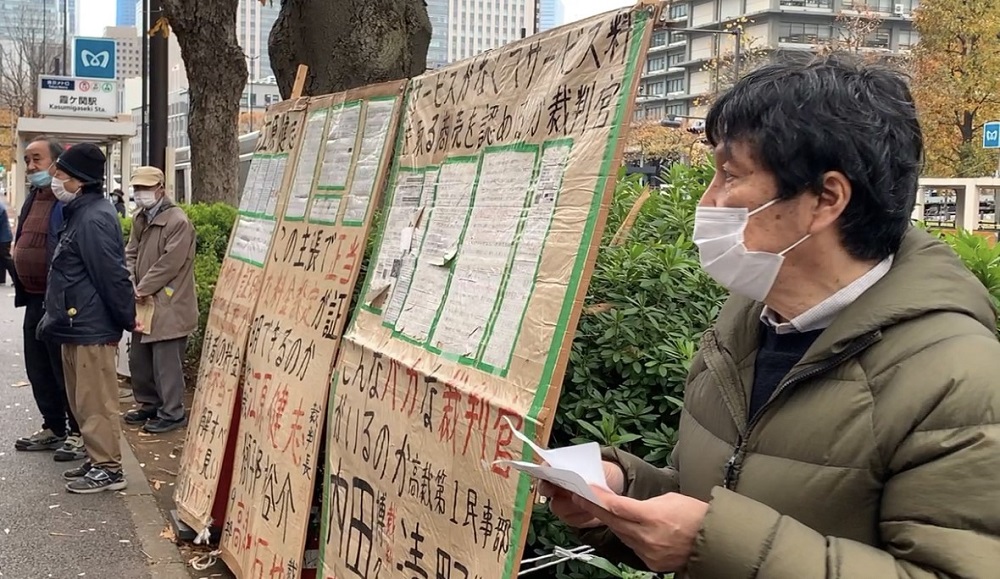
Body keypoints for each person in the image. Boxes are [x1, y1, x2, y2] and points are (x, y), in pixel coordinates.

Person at [544, 55, 1000, 576]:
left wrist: (712, 543)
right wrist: (623, 491)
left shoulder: (959, 377)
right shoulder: (742, 327)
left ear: (825, 199)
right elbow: (717, 494)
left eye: (730, 176)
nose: (708, 199)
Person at [37, 143, 137, 494]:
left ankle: (109, 468)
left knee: (96, 401)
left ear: (79, 181)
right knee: (83, 400)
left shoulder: (93, 217)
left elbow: (112, 275)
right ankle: (98, 459)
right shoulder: (82, 213)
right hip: (76, 324)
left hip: (91, 326)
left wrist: (126, 320)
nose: (54, 180)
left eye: (60, 175)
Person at [12, 136, 85, 462]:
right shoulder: (32, 199)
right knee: (38, 367)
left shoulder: (68, 201)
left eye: (37, 159)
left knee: (63, 369)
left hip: (60, 301)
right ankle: (53, 427)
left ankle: (77, 432)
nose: (31, 167)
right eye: (27, 160)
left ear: (57, 163)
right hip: (34, 298)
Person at [124, 166, 197, 434]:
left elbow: (170, 264)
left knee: (166, 361)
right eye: (137, 188)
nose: (140, 193)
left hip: (169, 302)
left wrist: (142, 287)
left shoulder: (178, 221)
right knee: (140, 358)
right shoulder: (140, 218)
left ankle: (172, 412)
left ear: (160, 189)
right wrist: (132, 282)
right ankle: (149, 404)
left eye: (145, 188)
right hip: (144, 300)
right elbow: (130, 252)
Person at [0, 197, 14, 285]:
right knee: (2, 258)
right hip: (4, 236)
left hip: (3, 238)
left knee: (5, 258)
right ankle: (1, 279)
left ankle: (17, 279)